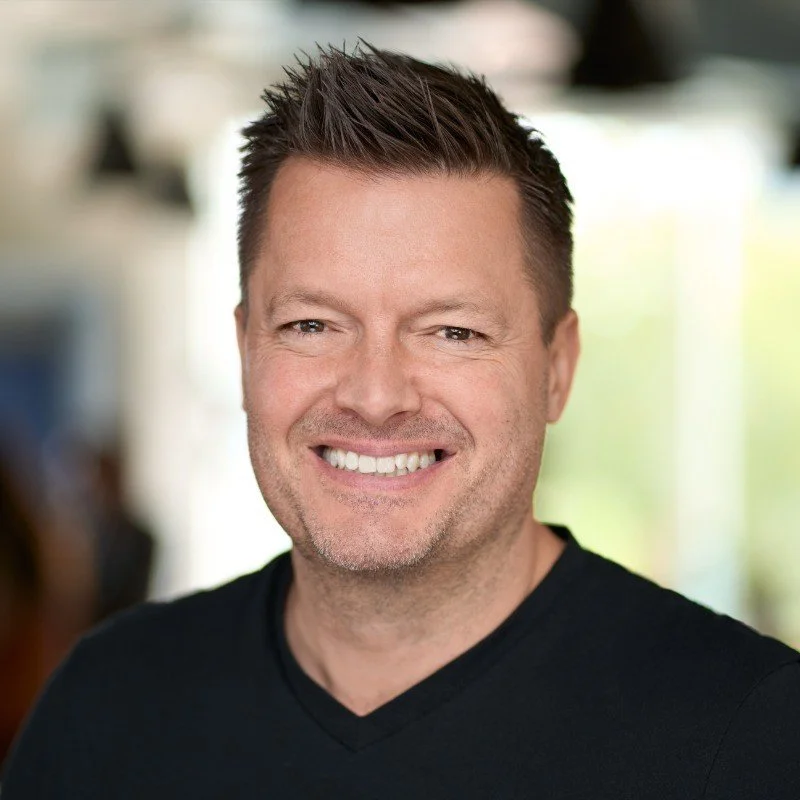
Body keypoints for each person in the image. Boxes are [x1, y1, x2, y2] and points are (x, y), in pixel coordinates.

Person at [3, 44, 799, 798]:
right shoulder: (104, 713)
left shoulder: (748, 734)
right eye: (313, 325)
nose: (376, 395)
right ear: (246, 350)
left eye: (452, 332)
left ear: (557, 368)